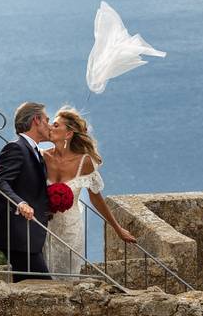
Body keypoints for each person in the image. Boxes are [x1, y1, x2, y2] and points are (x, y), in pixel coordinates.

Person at [42, 106, 136, 277]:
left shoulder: (84, 162)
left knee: (67, 278)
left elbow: (96, 198)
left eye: (56, 125)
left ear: (68, 134)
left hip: (70, 230)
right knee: (42, 276)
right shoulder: (41, 156)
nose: (50, 127)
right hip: (43, 227)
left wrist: (117, 228)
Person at [0, 101, 52, 282]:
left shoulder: (33, 150)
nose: (49, 125)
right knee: (44, 286)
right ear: (36, 120)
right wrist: (20, 203)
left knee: (26, 285)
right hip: (18, 235)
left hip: (27, 236)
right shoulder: (16, 148)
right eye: (47, 120)